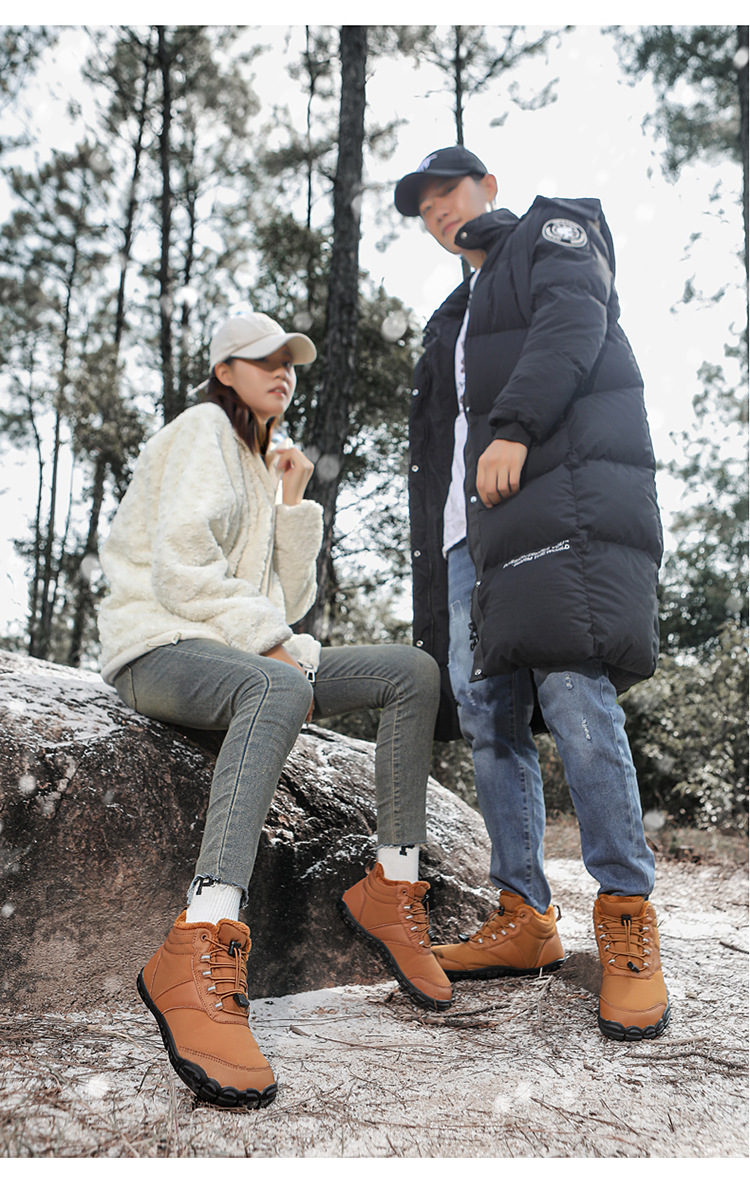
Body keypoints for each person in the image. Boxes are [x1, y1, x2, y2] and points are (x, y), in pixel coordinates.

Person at [97, 310, 451, 1110]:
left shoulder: (260, 462)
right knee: (281, 683)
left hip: (235, 655)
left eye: (291, 361)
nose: (283, 371)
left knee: (411, 672)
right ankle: (200, 936)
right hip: (159, 646)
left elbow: (285, 603)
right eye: (264, 360)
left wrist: (291, 501)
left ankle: (393, 888)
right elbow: (182, 571)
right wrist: (273, 646)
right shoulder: (201, 430)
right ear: (225, 370)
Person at [393, 146, 669, 1042]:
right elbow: (437, 447)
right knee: (488, 714)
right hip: (466, 540)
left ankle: (625, 914)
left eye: (448, 191)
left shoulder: (553, 230)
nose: (438, 210)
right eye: (423, 206)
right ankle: (524, 913)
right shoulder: (452, 315)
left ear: (488, 188)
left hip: (547, 500)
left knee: (573, 688)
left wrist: (513, 427)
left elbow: (575, 319)